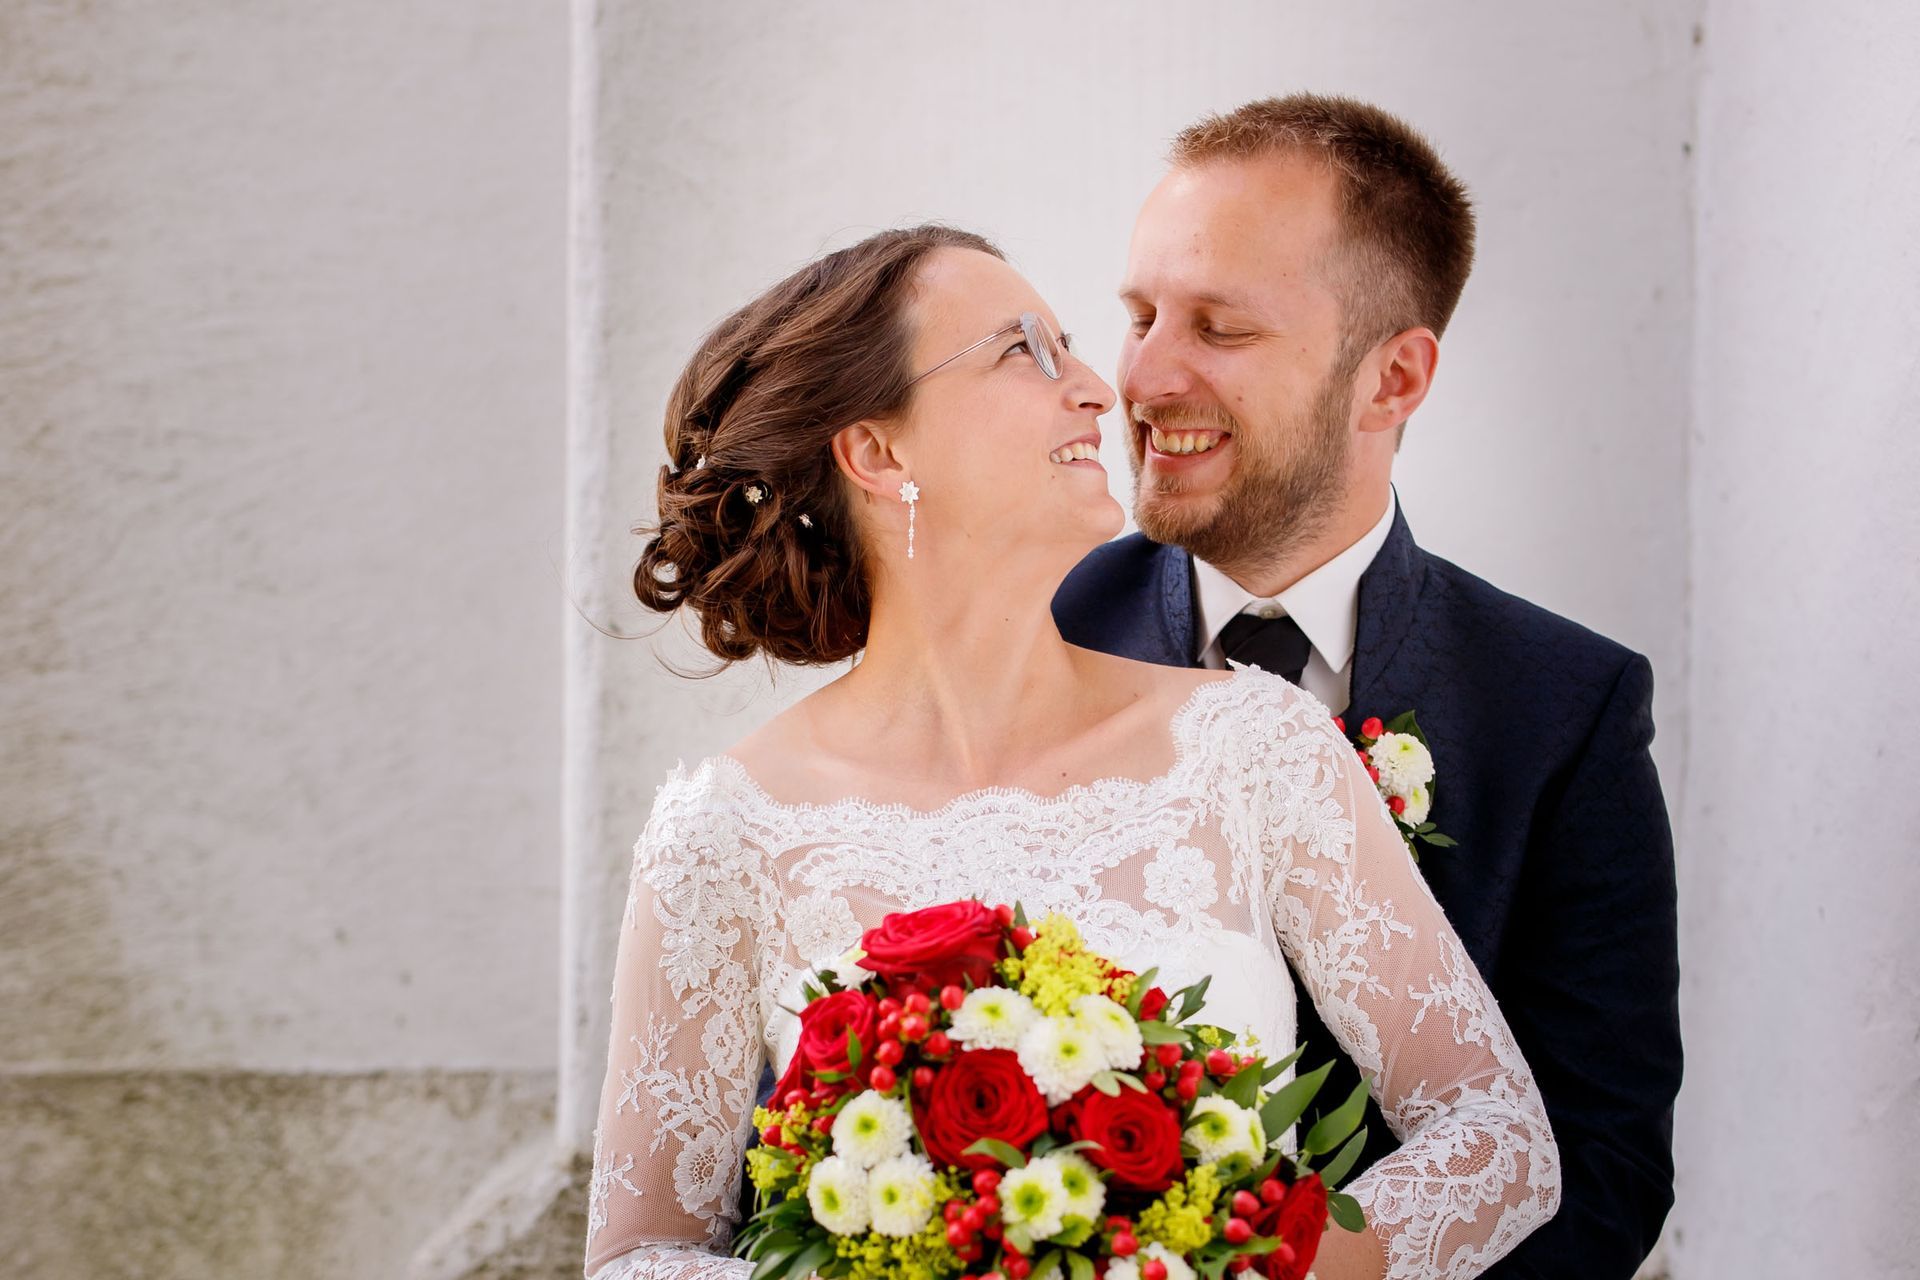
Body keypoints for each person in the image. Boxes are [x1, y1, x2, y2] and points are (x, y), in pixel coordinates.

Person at [585, 224, 1559, 1280]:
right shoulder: (726, 832)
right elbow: (642, 1254)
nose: (1099, 388)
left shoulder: (1254, 749)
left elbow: (1496, 1130)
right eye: (1023, 350)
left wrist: (1257, 1264)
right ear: (877, 451)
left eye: (1071, 346)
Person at [1053, 96, 1681, 1279]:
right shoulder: (1035, 633)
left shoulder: (1560, 707)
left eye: (1220, 328)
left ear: (1394, 377)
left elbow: (1603, 1171)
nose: (1139, 374)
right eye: (1140, 314)